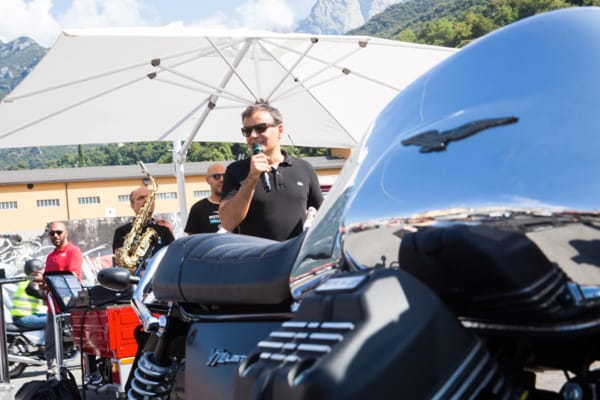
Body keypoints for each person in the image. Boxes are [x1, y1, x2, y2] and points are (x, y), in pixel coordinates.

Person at [219, 101, 323, 241]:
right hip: (256, 253)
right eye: (247, 131)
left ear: (280, 130)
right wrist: (251, 178)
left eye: (260, 128)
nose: (253, 135)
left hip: (296, 252)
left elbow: (323, 215)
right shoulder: (236, 170)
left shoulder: (304, 168)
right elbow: (228, 222)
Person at [43, 221, 83, 381]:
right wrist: (41, 282)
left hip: (70, 306)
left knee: (82, 343)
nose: (55, 236)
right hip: (53, 308)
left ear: (66, 233)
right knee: (50, 344)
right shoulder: (50, 256)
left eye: (59, 232)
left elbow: (72, 276)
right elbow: (47, 280)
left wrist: (47, 280)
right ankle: (53, 376)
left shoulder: (73, 251)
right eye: (52, 233)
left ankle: (90, 371)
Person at [113, 185, 175, 266]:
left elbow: (174, 256)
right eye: (141, 198)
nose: (146, 200)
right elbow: (120, 261)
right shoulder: (121, 232)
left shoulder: (165, 230)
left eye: (150, 198)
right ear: (132, 205)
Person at [184, 163, 226, 234]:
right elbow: (192, 238)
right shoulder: (198, 209)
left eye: (225, 176)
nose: (222, 179)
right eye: (216, 176)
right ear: (207, 180)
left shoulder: (237, 206)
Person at [10, 259, 47, 329]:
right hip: (24, 317)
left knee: (52, 316)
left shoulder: (25, 280)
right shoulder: (32, 282)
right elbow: (42, 294)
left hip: (25, 316)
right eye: (42, 270)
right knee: (56, 319)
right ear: (37, 270)